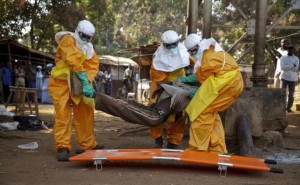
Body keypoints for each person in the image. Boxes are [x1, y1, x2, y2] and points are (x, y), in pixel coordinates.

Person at [48, 20, 103, 161]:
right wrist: (84, 80)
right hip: (61, 83)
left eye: (88, 37)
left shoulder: (89, 48)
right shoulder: (68, 39)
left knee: (86, 110)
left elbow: (92, 66)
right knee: (62, 114)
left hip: (78, 81)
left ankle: (88, 144)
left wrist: (87, 83)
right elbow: (72, 60)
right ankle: (63, 147)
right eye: (83, 36)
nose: (85, 39)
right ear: (78, 31)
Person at [181, 33, 244, 154]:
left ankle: (197, 149)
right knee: (210, 113)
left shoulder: (208, 58)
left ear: (199, 46)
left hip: (227, 83)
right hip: (230, 82)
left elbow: (204, 79)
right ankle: (216, 149)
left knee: (200, 111)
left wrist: (192, 86)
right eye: (190, 52)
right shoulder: (210, 51)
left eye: (193, 51)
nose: (192, 54)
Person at [149, 30, 190, 149]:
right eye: (169, 45)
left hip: (180, 83)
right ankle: (157, 138)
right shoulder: (157, 58)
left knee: (180, 113)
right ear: (164, 44)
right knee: (155, 110)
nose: (172, 47)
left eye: (174, 44)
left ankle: (173, 141)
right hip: (160, 85)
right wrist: (171, 86)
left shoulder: (184, 51)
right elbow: (158, 78)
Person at [279, 45, 299, 113]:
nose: (290, 51)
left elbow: (296, 69)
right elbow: (282, 67)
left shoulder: (296, 59)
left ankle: (288, 108)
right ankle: (281, 108)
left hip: (292, 78)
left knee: (291, 94)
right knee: (282, 93)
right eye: (289, 49)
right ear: (287, 50)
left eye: (292, 49)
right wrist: (292, 65)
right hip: (284, 77)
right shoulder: (283, 58)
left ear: (293, 50)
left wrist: (287, 66)